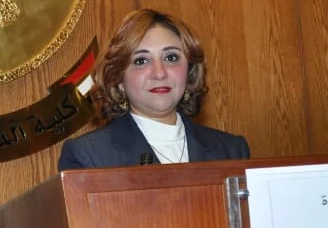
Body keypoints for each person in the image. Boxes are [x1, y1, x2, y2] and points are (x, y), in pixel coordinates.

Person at [58, 9, 249, 171]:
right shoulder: (89, 156)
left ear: (189, 70)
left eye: (171, 58)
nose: (159, 73)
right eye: (141, 61)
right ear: (118, 78)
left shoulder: (232, 151)